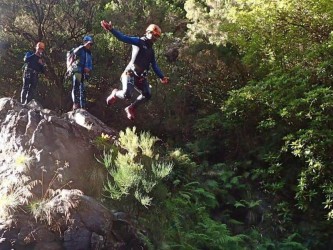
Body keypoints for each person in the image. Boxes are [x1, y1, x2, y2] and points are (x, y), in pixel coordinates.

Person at [101, 20, 169, 120]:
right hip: (130, 73)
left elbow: (154, 65)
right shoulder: (138, 41)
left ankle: (131, 107)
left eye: (157, 36)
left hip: (141, 77)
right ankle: (115, 93)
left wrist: (162, 77)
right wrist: (112, 30)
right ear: (148, 32)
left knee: (147, 94)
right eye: (154, 35)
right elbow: (123, 38)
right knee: (127, 94)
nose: (155, 38)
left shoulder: (151, 51)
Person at [71, 36, 93, 110]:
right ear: (84, 42)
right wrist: (83, 46)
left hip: (85, 73)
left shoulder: (89, 53)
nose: (89, 45)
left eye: (90, 44)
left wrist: (88, 69)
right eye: (88, 43)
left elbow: (90, 65)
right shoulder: (80, 49)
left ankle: (83, 106)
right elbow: (74, 52)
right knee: (76, 87)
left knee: (83, 89)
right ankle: (75, 104)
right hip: (77, 70)